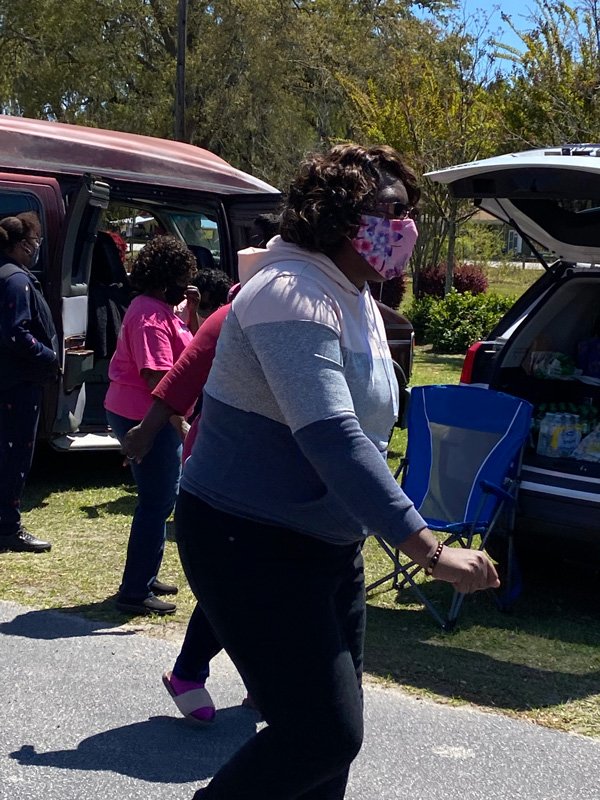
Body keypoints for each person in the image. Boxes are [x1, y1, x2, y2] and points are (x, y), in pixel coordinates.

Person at [174, 143, 500, 800]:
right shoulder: (289, 293)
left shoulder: (348, 292)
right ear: (341, 215)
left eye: (406, 211)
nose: (405, 227)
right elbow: (333, 439)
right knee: (321, 733)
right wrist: (430, 553)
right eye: (393, 211)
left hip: (324, 542)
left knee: (327, 745)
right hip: (249, 541)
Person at [104, 235, 197, 616]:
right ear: (166, 276)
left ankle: (146, 573)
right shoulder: (148, 314)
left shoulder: (160, 308)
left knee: (160, 500)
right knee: (156, 501)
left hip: (149, 413)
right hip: (143, 415)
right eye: (181, 274)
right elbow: (154, 375)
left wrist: (189, 310)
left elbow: (182, 346)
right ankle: (134, 590)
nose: (185, 281)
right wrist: (178, 423)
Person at [0, 212, 58, 554]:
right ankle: (8, 527)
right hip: (18, 382)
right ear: (22, 245)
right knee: (15, 455)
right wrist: (49, 357)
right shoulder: (15, 281)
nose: (37, 249)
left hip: (9, 379)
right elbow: (15, 332)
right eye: (35, 243)